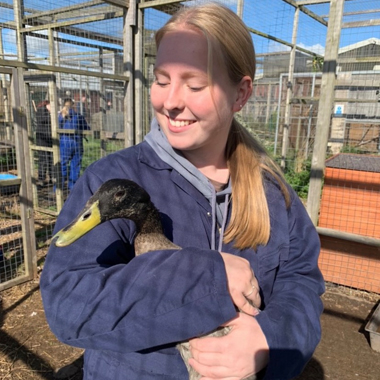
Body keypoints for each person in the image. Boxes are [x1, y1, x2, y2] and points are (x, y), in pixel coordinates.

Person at [40, 4, 324, 380]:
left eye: (194, 84)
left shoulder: (276, 195)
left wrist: (268, 340)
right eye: (161, 80)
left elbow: (301, 284)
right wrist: (207, 277)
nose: (171, 100)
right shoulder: (113, 177)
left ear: (240, 94)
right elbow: (67, 302)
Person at [58, 98, 90, 192]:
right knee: (75, 165)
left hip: (65, 143)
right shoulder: (78, 116)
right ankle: (73, 187)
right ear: (73, 105)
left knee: (62, 164)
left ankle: (59, 187)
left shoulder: (60, 116)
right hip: (77, 142)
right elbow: (86, 128)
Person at [35, 100, 53, 186]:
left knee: (50, 158)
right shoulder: (41, 110)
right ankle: (41, 178)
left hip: (49, 138)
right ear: (47, 105)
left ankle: (51, 177)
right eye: (51, 105)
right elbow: (43, 120)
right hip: (42, 139)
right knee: (43, 159)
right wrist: (52, 115)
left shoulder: (48, 112)